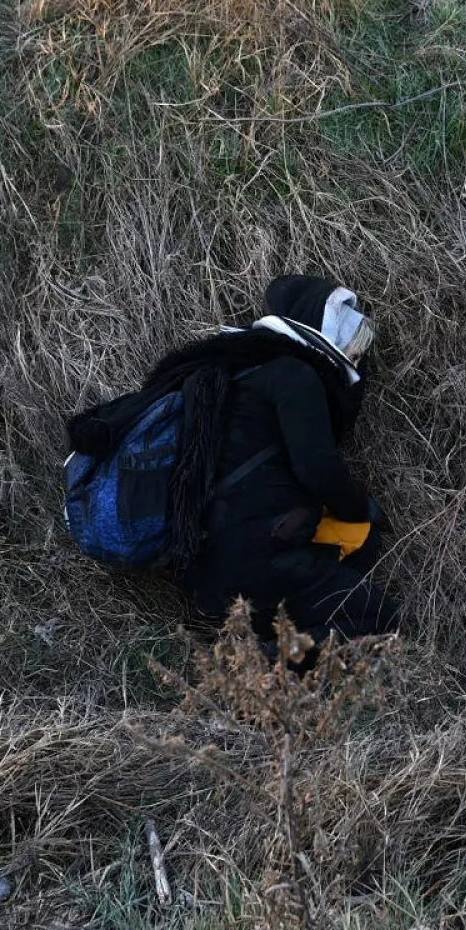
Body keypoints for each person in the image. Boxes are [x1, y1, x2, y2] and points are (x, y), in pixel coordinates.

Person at [69, 274, 400, 652]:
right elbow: (318, 470)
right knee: (376, 616)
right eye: (355, 352)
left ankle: (259, 660)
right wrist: (364, 509)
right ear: (332, 343)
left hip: (204, 569)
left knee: (310, 612)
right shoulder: (295, 375)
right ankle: (259, 669)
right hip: (257, 560)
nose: (358, 362)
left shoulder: (233, 377)